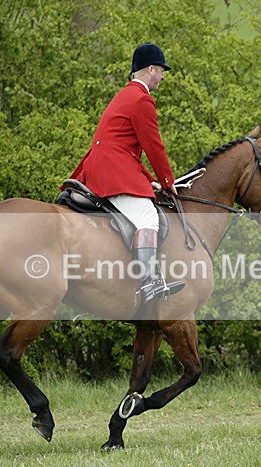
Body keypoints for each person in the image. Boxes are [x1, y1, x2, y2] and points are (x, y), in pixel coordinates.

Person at [69, 42, 184, 305]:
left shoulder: (124, 95)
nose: (164, 76)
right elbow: (154, 146)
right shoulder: (143, 99)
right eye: (162, 70)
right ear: (151, 69)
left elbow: (126, 148)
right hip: (112, 170)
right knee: (147, 218)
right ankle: (150, 283)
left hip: (102, 166)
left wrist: (149, 180)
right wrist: (167, 182)